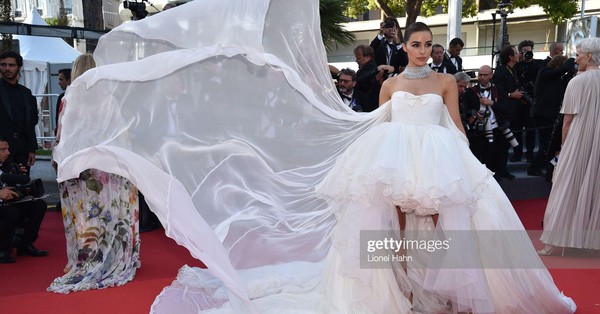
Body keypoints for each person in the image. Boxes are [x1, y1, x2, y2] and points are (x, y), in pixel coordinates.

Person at [52, 2, 576, 312]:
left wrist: (468, 163)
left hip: (437, 155)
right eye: (414, 43)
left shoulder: (446, 80)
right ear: (406, 47)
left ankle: (435, 283)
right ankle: (397, 286)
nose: (420, 49)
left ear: (434, 47)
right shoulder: (390, 83)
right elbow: (380, 119)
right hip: (394, 155)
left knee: (442, 220)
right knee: (388, 223)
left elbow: (456, 124)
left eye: (426, 43)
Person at [48, 53, 141, 293]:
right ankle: (115, 256)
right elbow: (124, 134)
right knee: (111, 212)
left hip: (80, 168)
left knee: (84, 216)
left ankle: (87, 256)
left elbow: (62, 136)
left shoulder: (68, 99)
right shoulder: (110, 99)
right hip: (108, 167)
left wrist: (58, 160)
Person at [539, 37, 600, 254]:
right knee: (595, 188)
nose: (575, 59)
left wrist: (564, 147)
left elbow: (567, 119)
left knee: (566, 187)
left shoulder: (577, 81)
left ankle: (553, 243)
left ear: (590, 56)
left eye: (578, 54)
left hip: (579, 139)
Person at [0, 137, 48, 263]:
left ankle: (25, 244)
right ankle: (2, 249)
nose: (8, 152)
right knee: (11, 212)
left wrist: (18, 176)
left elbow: (18, 183)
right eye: (3, 150)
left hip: (9, 203)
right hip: (4, 208)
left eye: (7, 149)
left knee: (39, 205)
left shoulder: (7, 165)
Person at [462, 65, 513, 180]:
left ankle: (502, 172)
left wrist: (492, 103)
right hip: (479, 128)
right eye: (480, 75)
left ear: (491, 75)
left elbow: (506, 108)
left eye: (485, 75)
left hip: (497, 125)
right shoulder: (470, 92)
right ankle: (486, 175)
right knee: (483, 152)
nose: (482, 77)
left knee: (501, 150)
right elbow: (467, 110)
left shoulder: (499, 89)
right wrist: (475, 114)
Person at [528, 55, 576, 178]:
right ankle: (534, 168)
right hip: (542, 113)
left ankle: (544, 167)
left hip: (550, 114)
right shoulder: (544, 72)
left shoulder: (557, 77)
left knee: (549, 142)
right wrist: (572, 59)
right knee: (546, 142)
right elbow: (561, 70)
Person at [0, 51, 39, 174]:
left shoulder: (26, 93)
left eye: (11, 65)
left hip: (22, 149)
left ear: (19, 68)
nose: (7, 68)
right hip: (2, 149)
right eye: (3, 65)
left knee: (22, 186)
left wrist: (32, 149)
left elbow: (31, 123)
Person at [353, 44, 382, 112]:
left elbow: (360, 80)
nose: (356, 60)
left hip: (368, 106)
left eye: (359, 58)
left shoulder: (371, 68)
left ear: (368, 57)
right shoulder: (366, 68)